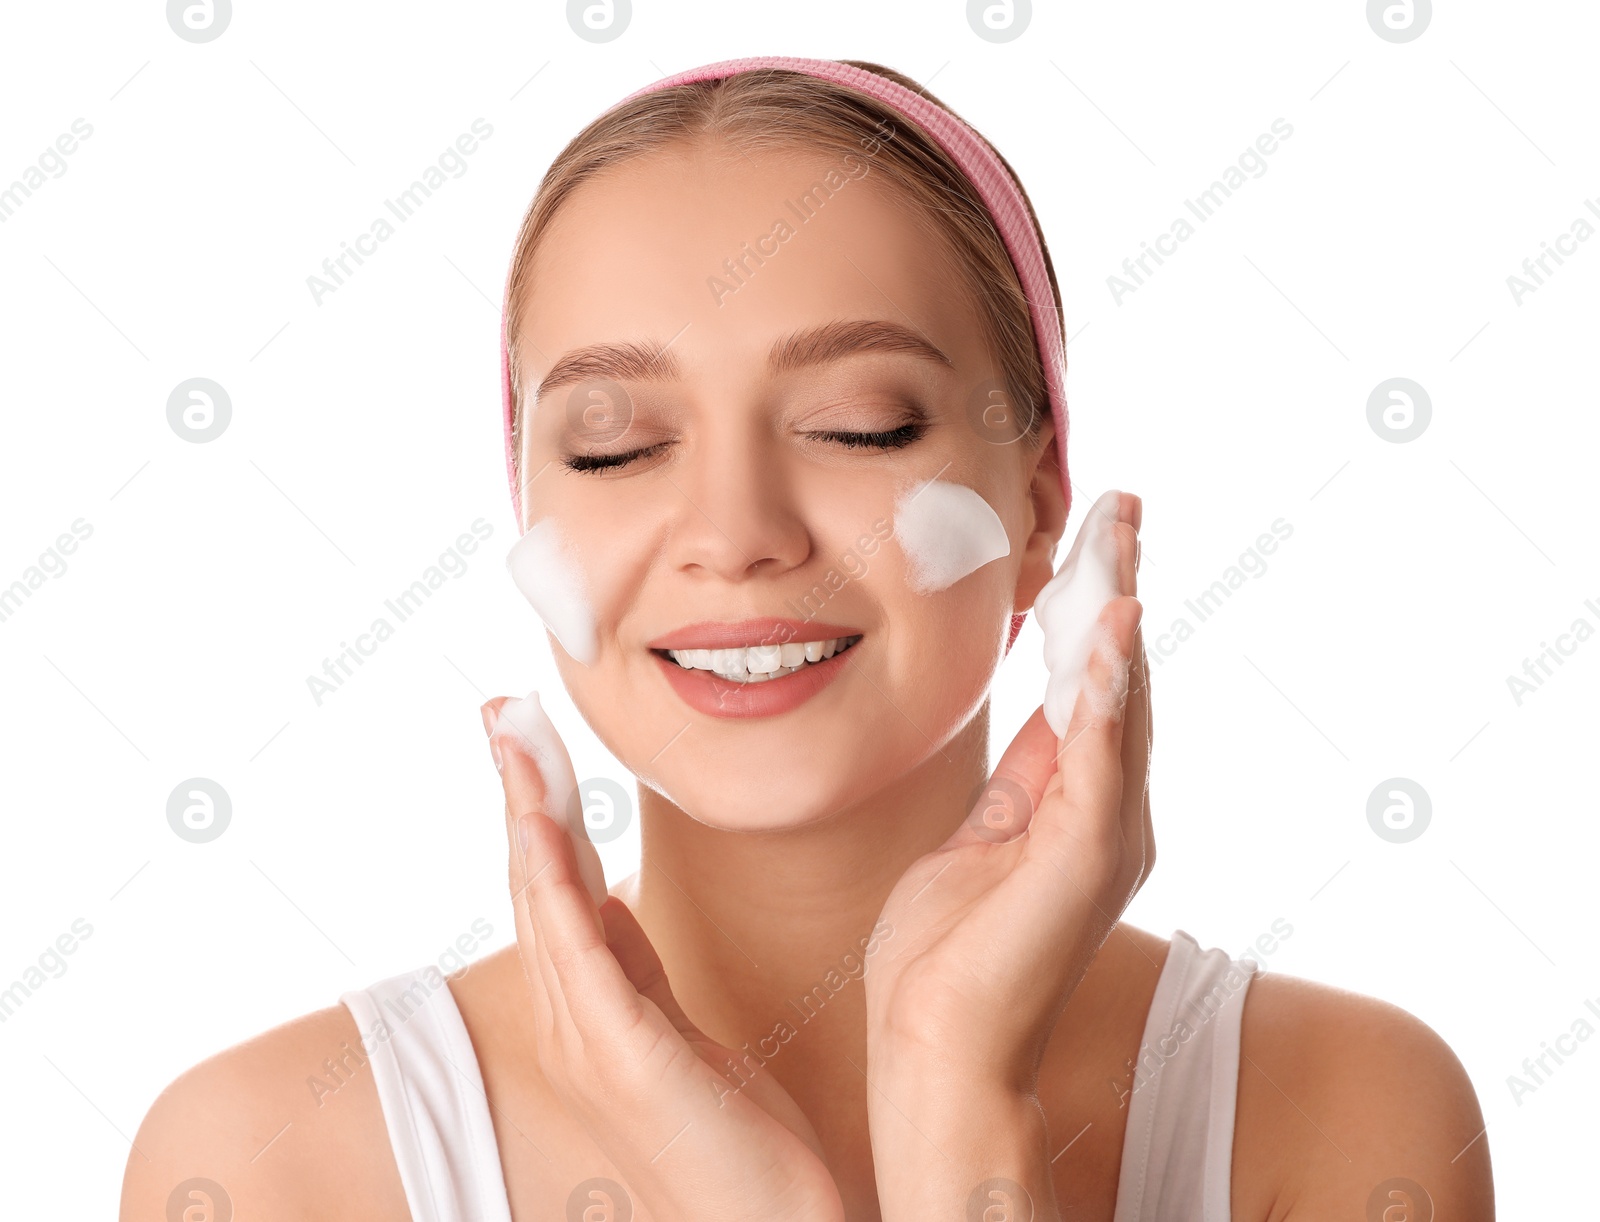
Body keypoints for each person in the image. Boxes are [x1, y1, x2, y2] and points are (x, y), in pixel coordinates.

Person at [121, 58, 1493, 1221]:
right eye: (616, 444)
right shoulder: (276, 1159)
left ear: (1037, 504)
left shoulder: (1336, 1111)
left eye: (860, 427)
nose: (733, 529)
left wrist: (963, 1127)